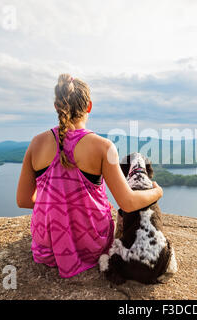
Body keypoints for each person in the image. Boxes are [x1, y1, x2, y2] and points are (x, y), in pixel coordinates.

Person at [16, 74, 163, 278]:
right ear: (89, 106)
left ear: (56, 106)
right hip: (90, 245)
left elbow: (23, 200)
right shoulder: (103, 147)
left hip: (46, 246)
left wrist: (57, 207)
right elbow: (128, 202)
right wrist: (156, 192)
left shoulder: (36, 143)